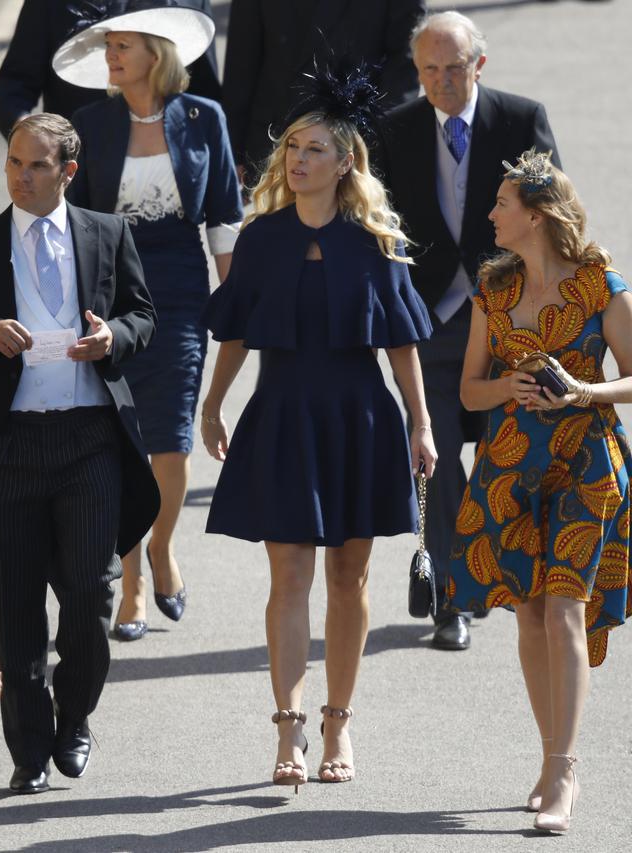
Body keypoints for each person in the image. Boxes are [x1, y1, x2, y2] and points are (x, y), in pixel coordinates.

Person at [201, 66, 436, 790]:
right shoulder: (261, 237)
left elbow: (401, 342)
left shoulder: (375, 239)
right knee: (289, 574)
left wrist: (422, 424)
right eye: (292, 147)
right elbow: (236, 330)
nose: (297, 159)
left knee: (348, 575)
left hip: (361, 416)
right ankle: (289, 727)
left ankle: (339, 721)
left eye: (314, 150)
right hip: (282, 413)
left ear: (346, 164)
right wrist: (213, 404)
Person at [445, 149, 632, 833]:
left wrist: (584, 390)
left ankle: (563, 769)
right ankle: (551, 753)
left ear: (537, 215)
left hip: (585, 461)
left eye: (500, 204)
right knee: (527, 613)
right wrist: (511, 386)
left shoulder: (600, 286)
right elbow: (470, 388)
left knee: (564, 611)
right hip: (509, 467)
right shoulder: (492, 290)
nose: (490, 214)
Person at [55, 1, 244, 640]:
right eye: (109, 47)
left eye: (124, 46)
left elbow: (222, 212)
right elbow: (72, 222)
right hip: (109, 291)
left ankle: (162, 547)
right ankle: (132, 579)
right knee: (122, 437)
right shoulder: (91, 124)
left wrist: (235, 292)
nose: (112, 57)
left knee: (169, 436)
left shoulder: (204, 118)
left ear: (156, 55)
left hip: (182, 288)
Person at [378, 10, 561, 651]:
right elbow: (379, 224)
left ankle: (505, 575)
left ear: (478, 65)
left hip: (508, 321)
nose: (441, 82)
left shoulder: (519, 120)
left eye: (453, 69)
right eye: (429, 70)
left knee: (505, 454)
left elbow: (555, 217)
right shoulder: (395, 128)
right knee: (434, 456)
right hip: (430, 323)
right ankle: (452, 596)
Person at [0, 113, 159, 794]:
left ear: (68, 171)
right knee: (16, 604)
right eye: (13, 163)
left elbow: (144, 315)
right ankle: (29, 748)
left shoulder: (107, 232)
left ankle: (76, 713)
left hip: (90, 436)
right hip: (10, 444)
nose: (21, 176)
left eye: (37, 165)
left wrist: (111, 338)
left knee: (91, 594)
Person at [222, 0, 427, 186]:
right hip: (275, 143)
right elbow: (242, 60)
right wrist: (234, 151)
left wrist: (381, 142)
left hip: (357, 145)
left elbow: (403, 65)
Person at [0, 0, 222, 138]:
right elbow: (16, 85)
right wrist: (34, 139)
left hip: (169, 175)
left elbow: (205, 89)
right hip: (79, 175)